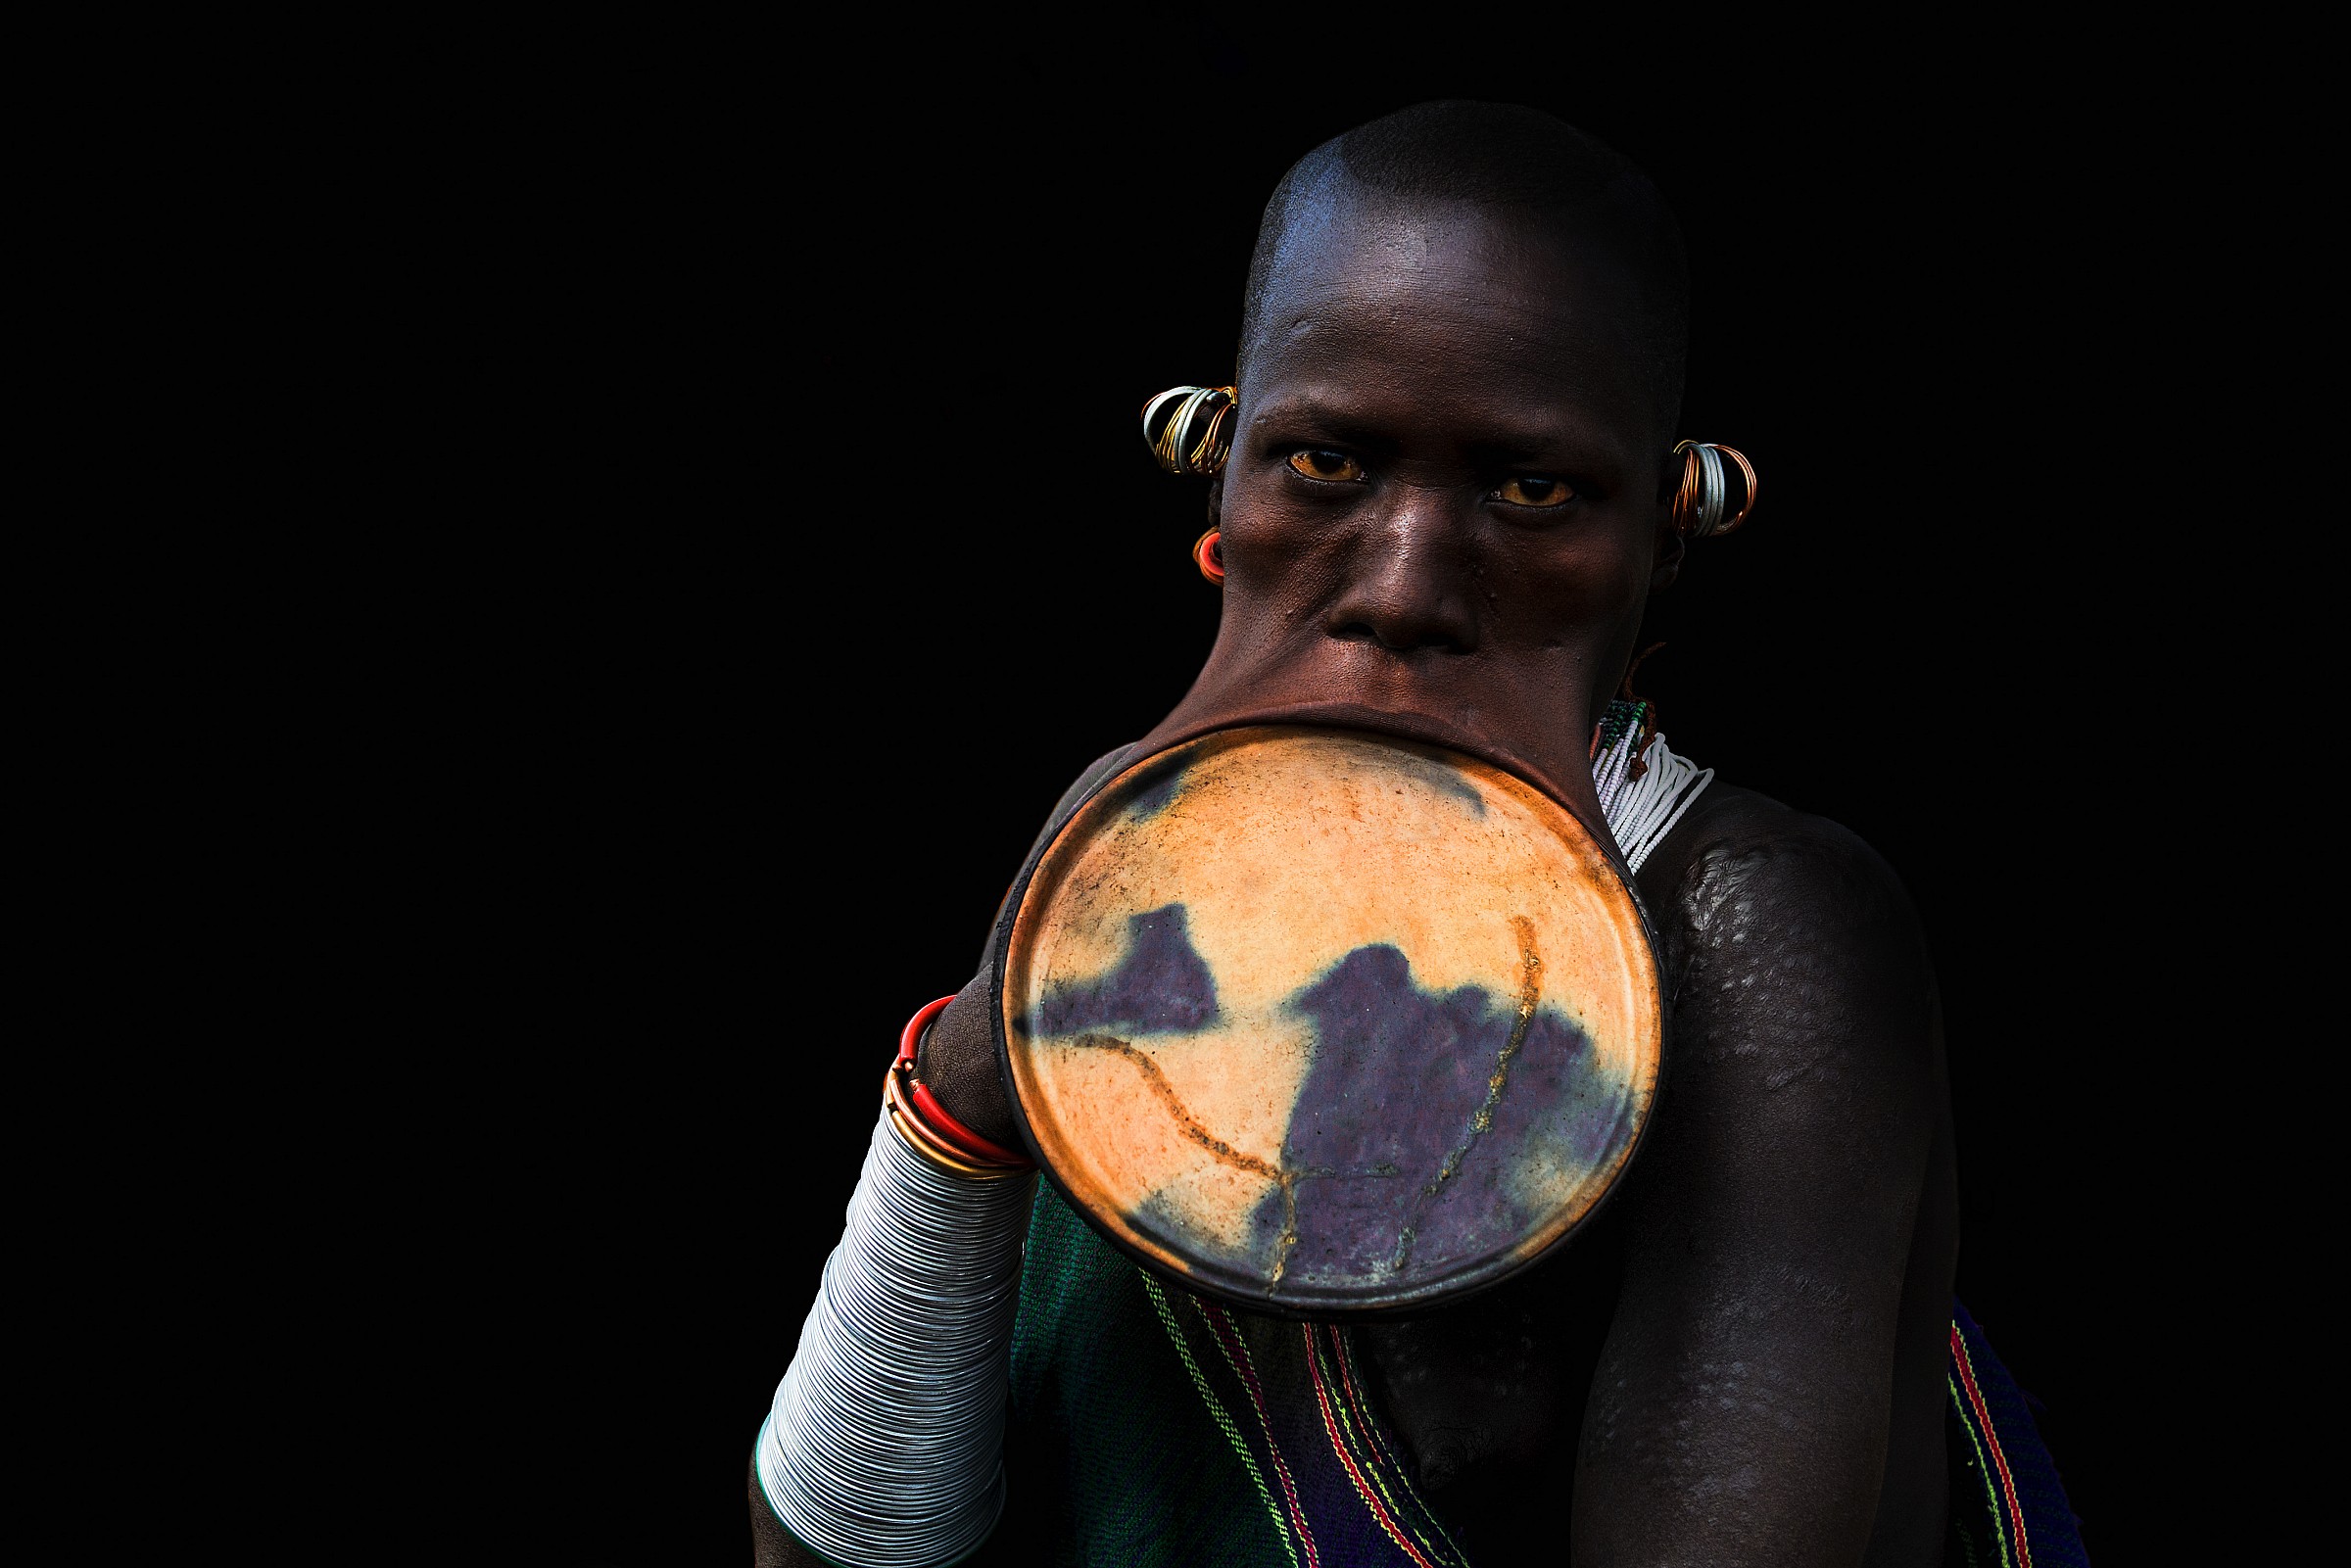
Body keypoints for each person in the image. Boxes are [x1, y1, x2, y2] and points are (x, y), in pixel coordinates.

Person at [751, 101, 2082, 1566]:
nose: (1405, 584)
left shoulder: (1752, 937)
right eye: (1326, 464)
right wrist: (964, 1089)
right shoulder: (1110, 855)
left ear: (1663, 541)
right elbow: (828, 1548)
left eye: (1531, 491)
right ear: (1221, 469)